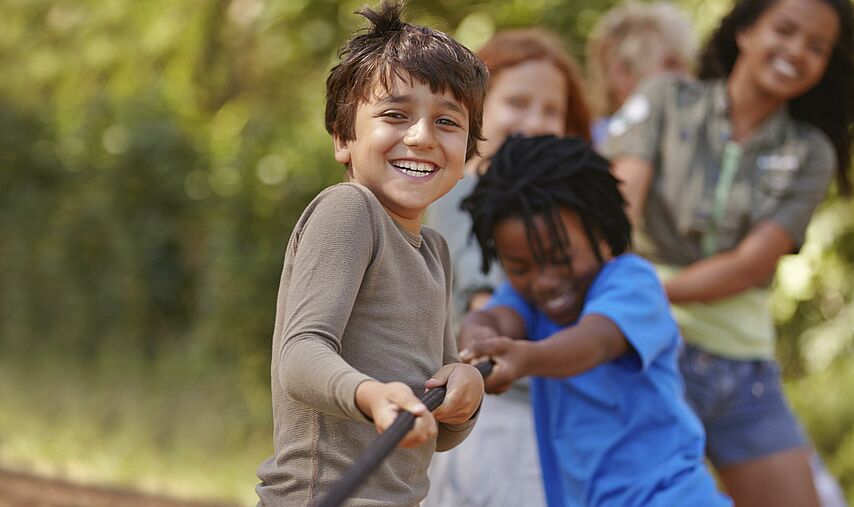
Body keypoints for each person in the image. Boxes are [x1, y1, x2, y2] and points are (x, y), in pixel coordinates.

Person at [603, 0, 854, 505]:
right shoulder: (664, 98)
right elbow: (617, 211)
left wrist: (651, 289)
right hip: (648, 352)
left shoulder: (810, 152)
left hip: (741, 371)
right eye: (785, 30)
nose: (797, 51)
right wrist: (628, 306)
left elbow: (751, 266)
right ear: (746, 30)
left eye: (817, 47)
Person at [255, 2, 490, 505]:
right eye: (394, 115)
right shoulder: (349, 210)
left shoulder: (434, 251)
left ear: (469, 150)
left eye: (448, 122)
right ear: (344, 136)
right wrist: (371, 395)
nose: (422, 136)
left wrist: (463, 395)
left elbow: (434, 429)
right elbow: (299, 357)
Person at [457, 134, 732, 507]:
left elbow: (595, 341)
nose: (545, 281)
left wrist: (524, 358)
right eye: (520, 268)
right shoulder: (525, 301)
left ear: (600, 230)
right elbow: (491, 319)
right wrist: (477, 343)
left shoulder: (631, 282)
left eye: (560, 257)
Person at [424, 28, 591, 507]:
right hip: (498, 422)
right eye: (518, 102)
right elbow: (480, 300)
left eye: (552, 111)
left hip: (550, 416)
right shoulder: (467, 190)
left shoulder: (558, 211)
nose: (535, 122)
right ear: (476, 109)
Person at [585, 1, 696, 148]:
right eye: (670, 65)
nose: (687, 78)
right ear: (622, 73)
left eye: (687, 66)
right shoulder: (592, 147)